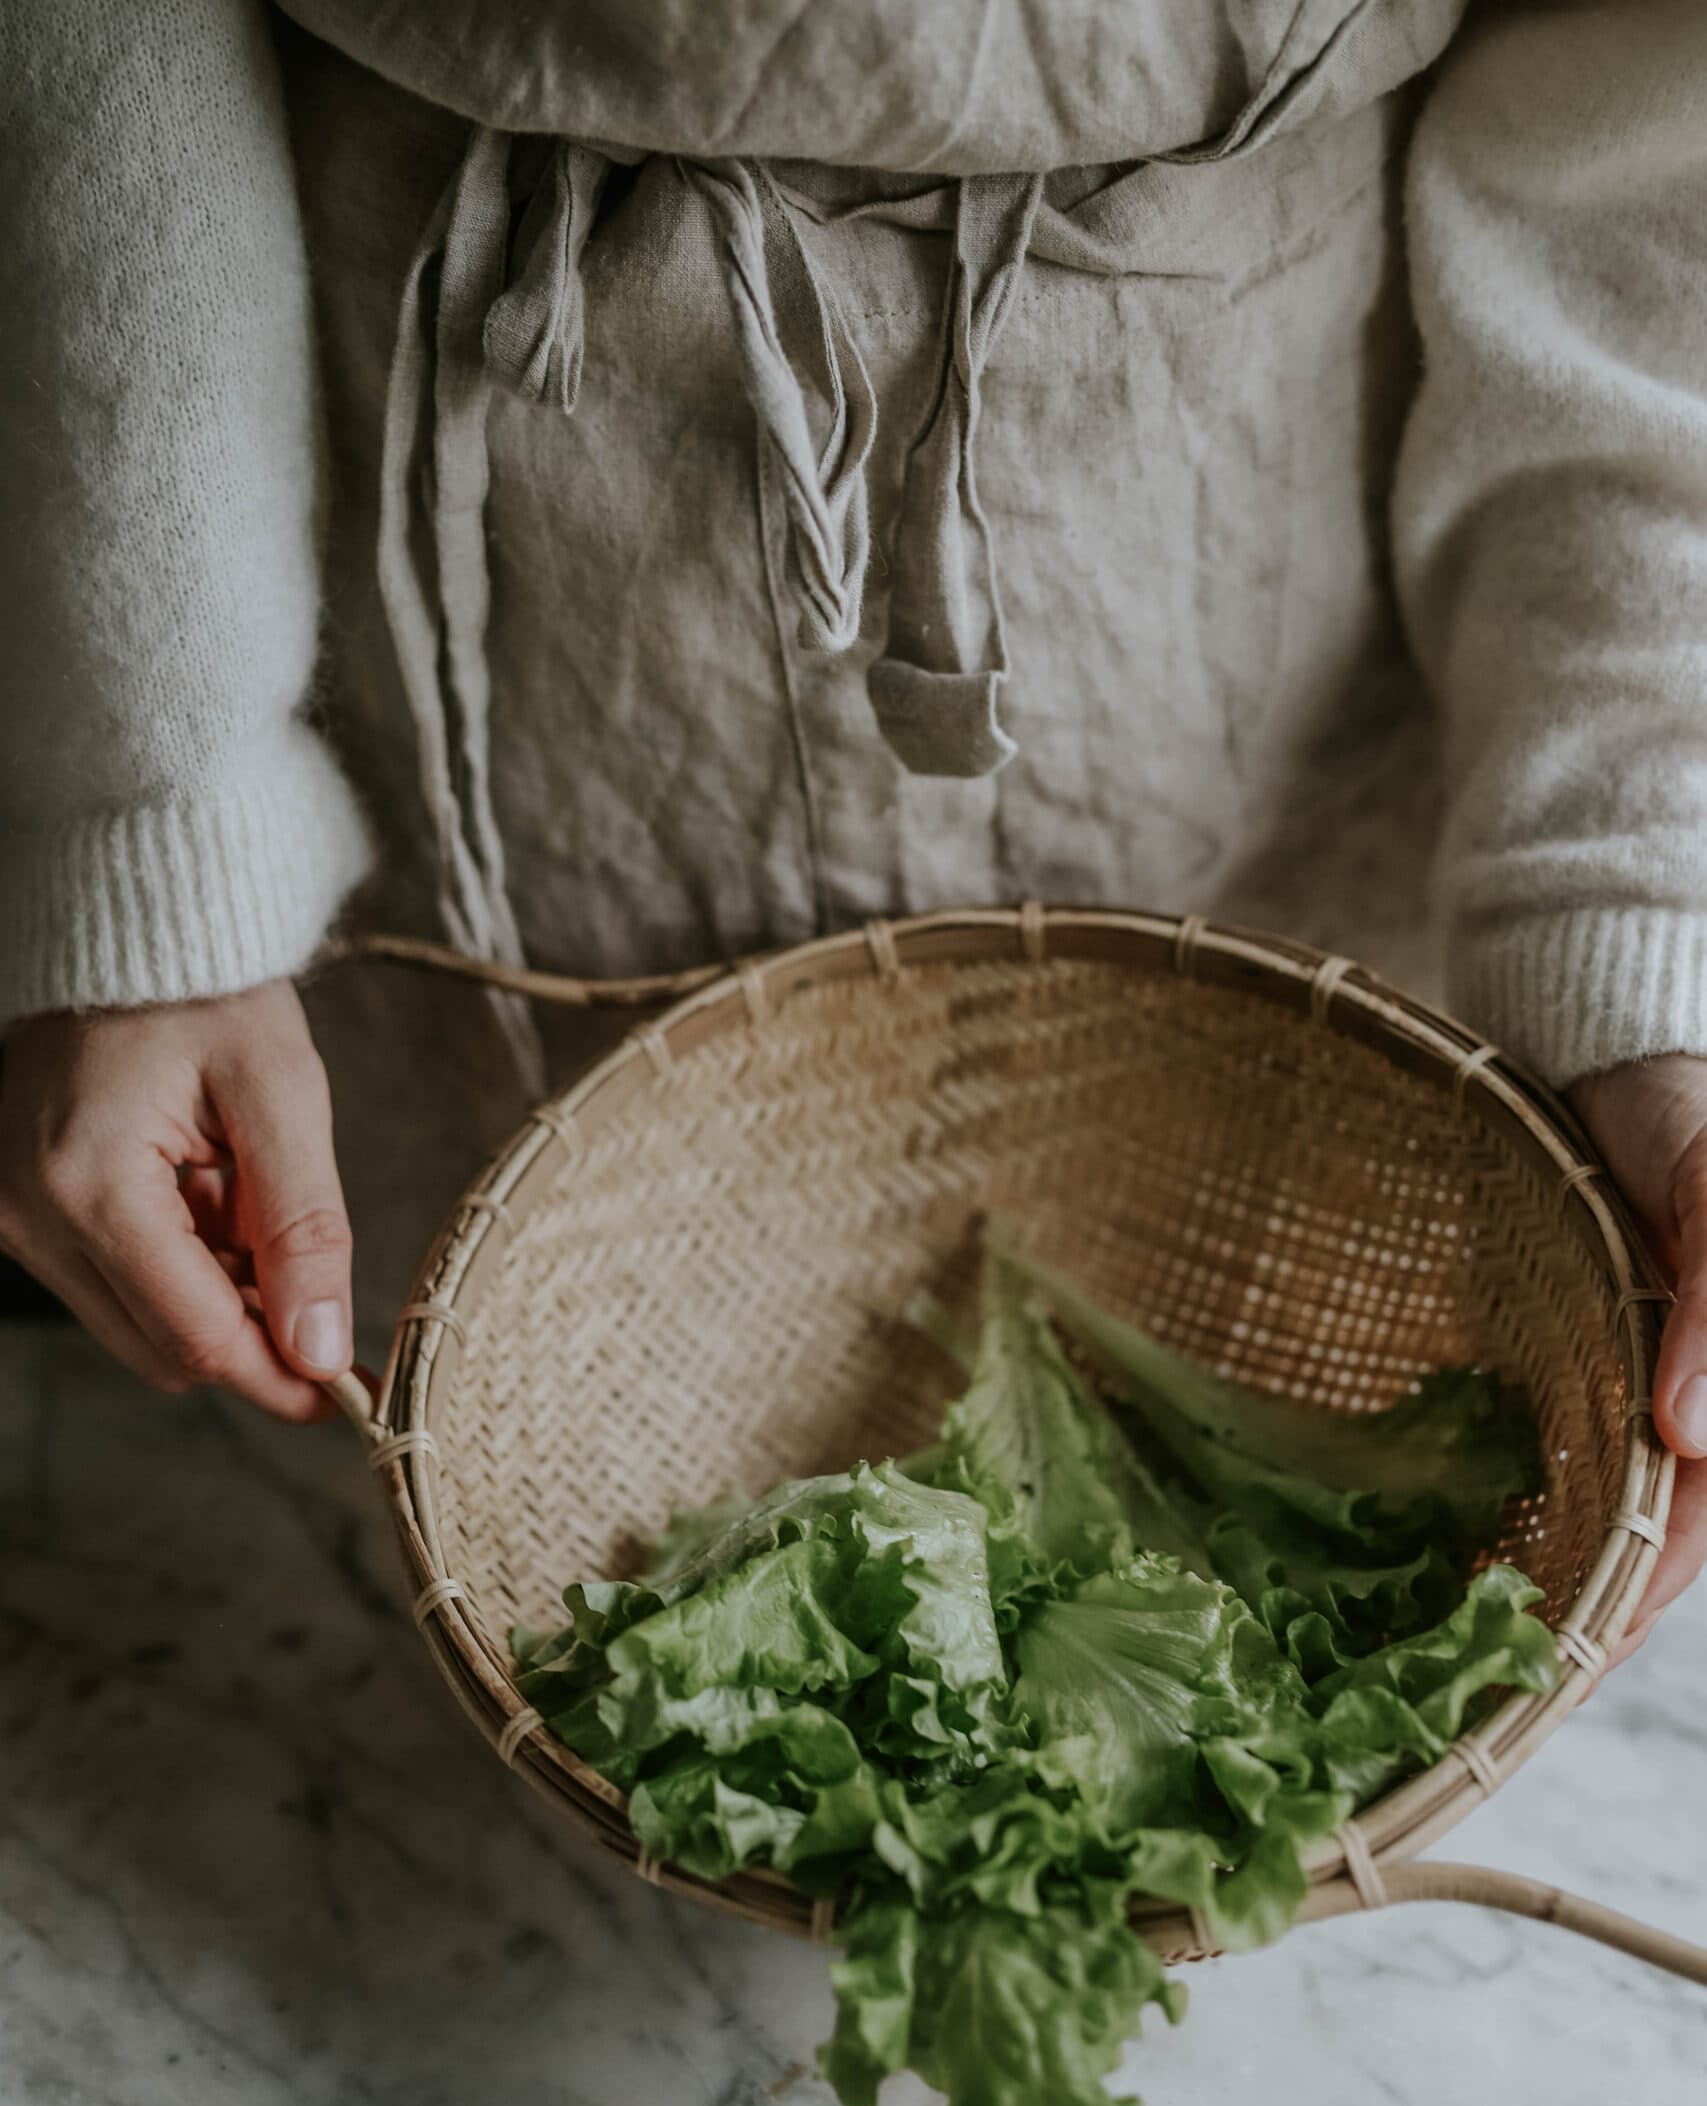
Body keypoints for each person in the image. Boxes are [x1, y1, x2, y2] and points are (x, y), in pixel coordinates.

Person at [2, 0, 1706, 1652]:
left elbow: (1644, 107)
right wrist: (149, 816)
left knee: (1284, 1267)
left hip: (1256, 429)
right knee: (534, 1326)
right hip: (419, 419)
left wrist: (1645, 901)